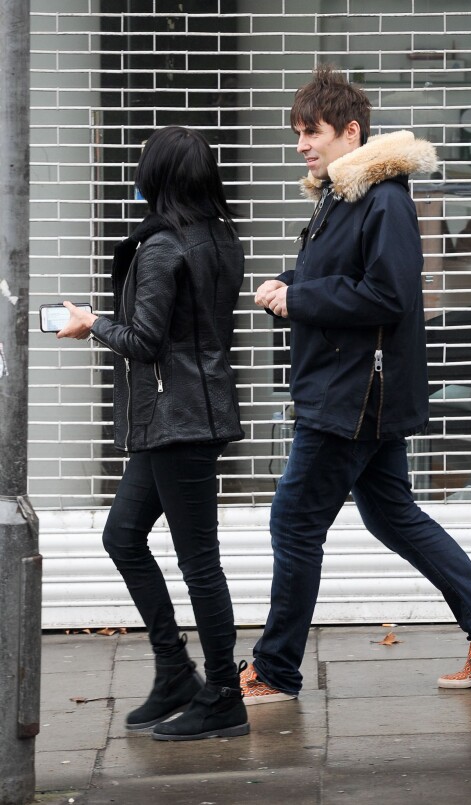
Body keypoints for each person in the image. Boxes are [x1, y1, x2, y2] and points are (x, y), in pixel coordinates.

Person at [240, 65, 471, 704]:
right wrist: (291, 283)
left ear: (351, 131)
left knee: (294, 521)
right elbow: (343, 276)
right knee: (392, 515)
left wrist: (300, 299)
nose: (301, 146)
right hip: (350, 388)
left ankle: (276, 670)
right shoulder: (342, 194)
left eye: (311, 132)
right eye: (297, 134)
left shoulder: (384, 199)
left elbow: (389, 295)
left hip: (353, 396)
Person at [57, 126, 249, 741]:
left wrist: (91, 324)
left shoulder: (164, 247)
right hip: (188, 415)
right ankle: (174, 672)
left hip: (178, 421)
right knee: (122, 536)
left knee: (200, 565)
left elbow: (143, 341)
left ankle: (223, 695)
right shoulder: (221, 236)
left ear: (159, 176)